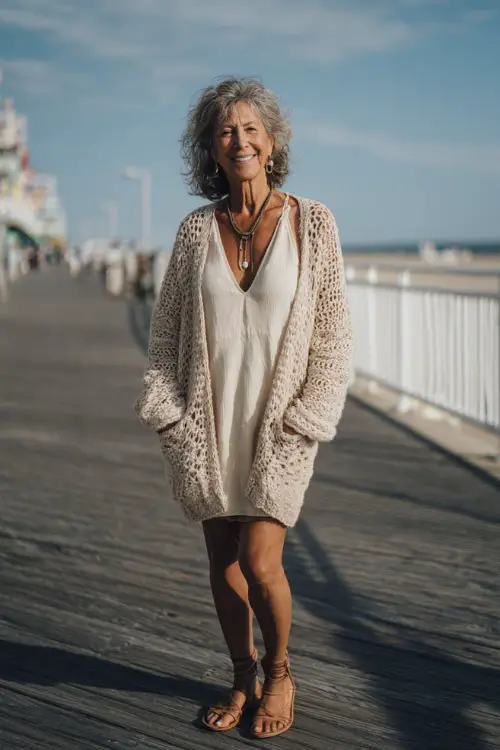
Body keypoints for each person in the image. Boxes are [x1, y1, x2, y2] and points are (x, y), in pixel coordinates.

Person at [135, 77, 352, 739]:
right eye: (226, 131)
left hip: (278, 423)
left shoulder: (313, 223)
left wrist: (307, 419)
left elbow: (334, 336)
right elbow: (166, 334)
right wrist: (170, 415)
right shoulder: (195, 230)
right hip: (209, 422)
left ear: (272, 140)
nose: (241, 140)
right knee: (222, 561)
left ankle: (280, 670)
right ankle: (241, 674)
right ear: (210, 148)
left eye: (251, 128)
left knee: (262, 562)